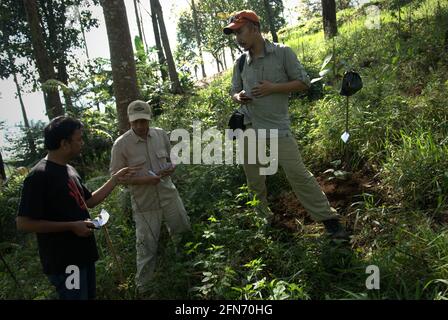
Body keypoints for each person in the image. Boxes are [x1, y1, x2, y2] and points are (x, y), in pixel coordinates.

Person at [224, 10, 349, 240]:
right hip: (249, 126)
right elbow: (233, 90)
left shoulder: (282, 53)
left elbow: (304, 82)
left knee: (297, 173)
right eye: (234, 34)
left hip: (276, 126)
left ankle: (329, 220)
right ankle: (264, 218)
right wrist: (238, 96)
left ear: (254, 28)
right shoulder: (240, 61)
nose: (237, 38)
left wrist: (273, 88)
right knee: (254, 179)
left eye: (240, 31)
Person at [16, 116, 132, 300]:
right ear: (64, 143)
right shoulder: (39, 176)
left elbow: (89, 201)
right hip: (65, 262)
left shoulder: (69, 170)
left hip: (83, 256)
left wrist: (115, 179)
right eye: (78, 139)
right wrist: (71, 226)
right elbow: (24, 223)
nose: (82, 143)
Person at [110, 100, 191, 295]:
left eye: (143, 121)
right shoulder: (121, 145)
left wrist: (171, 167)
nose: (140, 126)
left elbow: (171, 160)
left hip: (169, 194)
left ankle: (189, 272)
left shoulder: (160, 134)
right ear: (130, 121)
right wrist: (144, 180)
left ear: (149, 119)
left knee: (183, 231)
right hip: (145, 204)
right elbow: (116, 179)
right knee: (146, 249)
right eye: (135, 122)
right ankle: (144, 288)